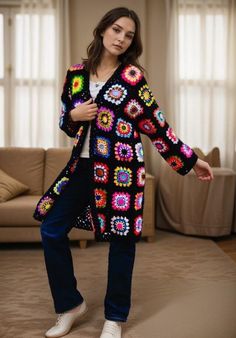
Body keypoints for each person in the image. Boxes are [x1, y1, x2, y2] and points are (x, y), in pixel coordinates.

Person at [33, 7, 213, 338]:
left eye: (128, 35)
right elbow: (65, 121)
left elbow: (156, 125)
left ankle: (115, 317)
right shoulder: (75, 74)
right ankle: (70, 305)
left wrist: (191, 160)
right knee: (51, 230)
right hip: (82, 166)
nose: (121, 38)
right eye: (116, 30)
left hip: (123, 171)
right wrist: (74, 113)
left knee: (122, 241)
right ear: (102, 30)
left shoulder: (132, 79)